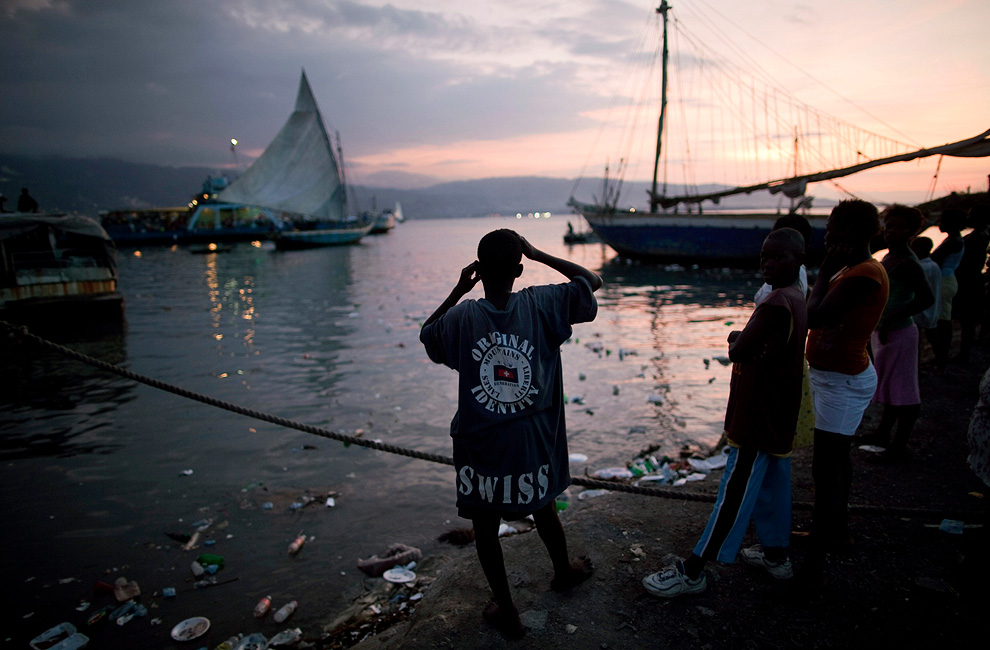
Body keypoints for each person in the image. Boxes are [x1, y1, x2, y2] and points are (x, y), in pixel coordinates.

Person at [420, 229, 602, 637]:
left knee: (485, 526)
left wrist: (456, 290)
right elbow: (591, 281)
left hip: (479, 441)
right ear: (520, 270)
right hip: (533, 438)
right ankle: (562, 571)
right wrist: (538, 254)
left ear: (478, 271)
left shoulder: (463, 317)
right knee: (543, 504)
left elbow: (427, 335)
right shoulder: (542, 302)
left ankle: (508, 610)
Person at [641, 228, 808, 597]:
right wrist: (744, 339)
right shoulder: (797, 297)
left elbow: (738, 348)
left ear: (799, 259)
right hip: (778, 412)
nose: (767, 263)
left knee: (734, 492)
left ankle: (694, 569)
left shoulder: (775, 303)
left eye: (777, 257)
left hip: (756, 417)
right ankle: (776, 554)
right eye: (764, 255)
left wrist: (736, 338)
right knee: (773, 485)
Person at [803, 199, 889, 585]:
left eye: (832, 225)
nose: (826, 231)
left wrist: (822, 272)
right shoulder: (853, 270)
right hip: (833, 379)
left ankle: (819, 553)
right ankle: (836, 527)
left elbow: (814, 316)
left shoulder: (864, 274)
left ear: (849, 233)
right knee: (835, 459)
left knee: (827, 464)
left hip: (843, 382)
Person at [862, 206, 934, 462]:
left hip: (901, 332)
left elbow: (926, 298)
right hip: (886, 333)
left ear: (912, 232)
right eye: (889, 226)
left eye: (899, 228)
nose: (891, 232)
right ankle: (882, 433)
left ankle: (899, 444)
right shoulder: (889, 257)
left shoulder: (908, 262)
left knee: (906, 391)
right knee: (892, 385)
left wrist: (891, 319)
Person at [953, 204, 990, 364]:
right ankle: (967, 349)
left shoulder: (977, 237)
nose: (968, 218)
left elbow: (967, 262)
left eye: (971, 215)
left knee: (967, 319)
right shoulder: (981, 235)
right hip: (972, 280)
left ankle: (964, 353)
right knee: (970, 318)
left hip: (969, 281)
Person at [930, 208, 965, 373]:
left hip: (944, 283)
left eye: (942, 220)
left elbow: (934, 258)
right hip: (946, 281)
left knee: (942, 323)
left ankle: (941, 361)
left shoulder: (953, 241)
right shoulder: (954, 239)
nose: (939, 224)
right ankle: (939, 358)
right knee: (942, 321)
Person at [910, 236, 942, 357]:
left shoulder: (922, 267)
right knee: (932, 337)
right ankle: (940, 362)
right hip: (932, 307)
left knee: (919, 341)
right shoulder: (934, 265)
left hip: (922, 309)